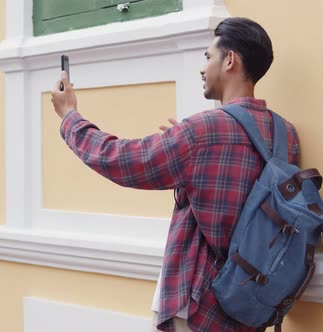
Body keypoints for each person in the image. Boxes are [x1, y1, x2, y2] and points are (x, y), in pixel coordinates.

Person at [50, 17, 300, 332]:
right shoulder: (285, 134)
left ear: (230, 61)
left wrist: (70, 117)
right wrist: (190, 152)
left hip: (200, 308)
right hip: (250, 309)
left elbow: (124, 160)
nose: (202, 67)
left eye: (208, 57)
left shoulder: (203, 131)